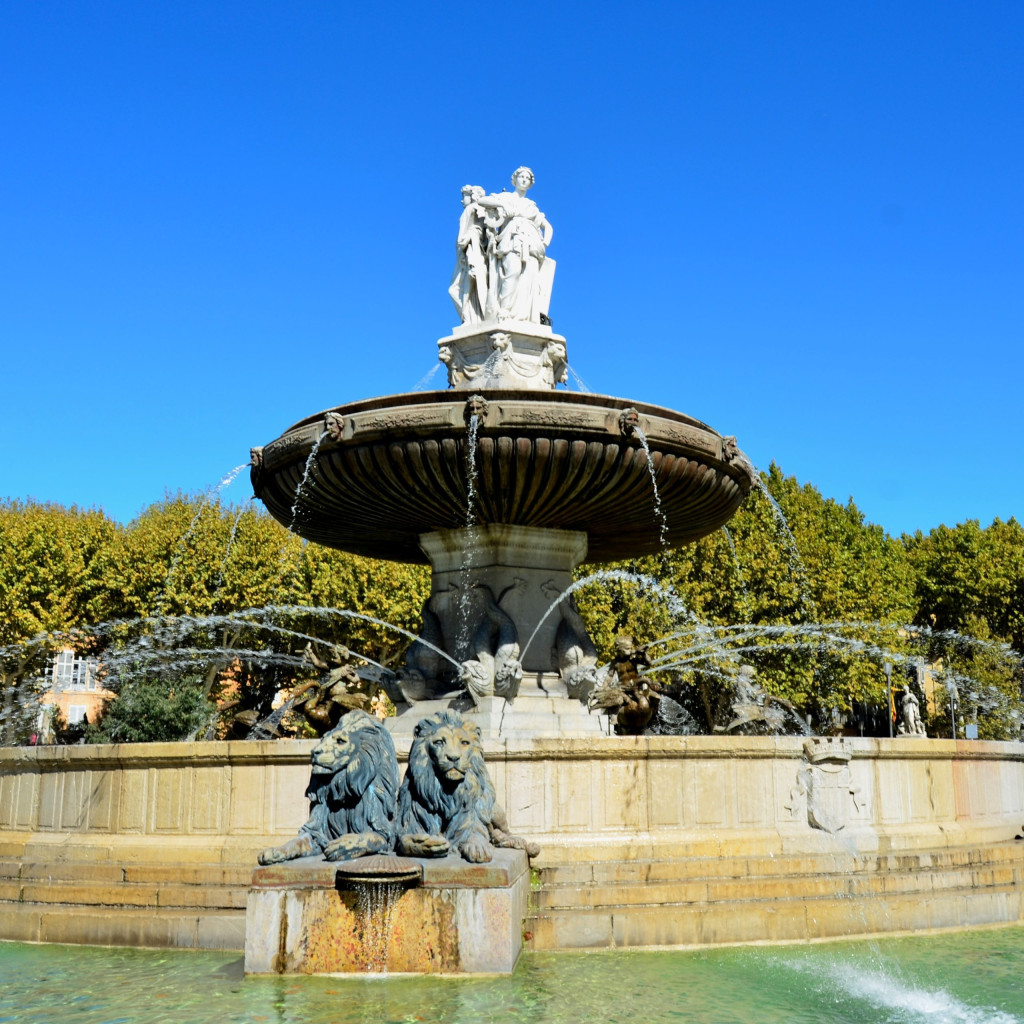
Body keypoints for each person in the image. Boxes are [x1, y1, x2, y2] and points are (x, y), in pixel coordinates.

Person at [475, 167, 553, 323]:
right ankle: (504, 310)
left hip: (531, 243)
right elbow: (481, 201)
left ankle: (524, 317)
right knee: (513, 271)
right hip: (511, 238)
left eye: (527, 178)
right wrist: (502, 206)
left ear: (530, 183)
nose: (524, 179)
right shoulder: (506, 197)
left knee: (529, 278)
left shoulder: (532, 206)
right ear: (514, 180)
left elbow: (548, 227)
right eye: (521, 176)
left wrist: (545, 242)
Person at [448, 185, 489, 324]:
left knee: (456, 289)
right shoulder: (470, 210)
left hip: (471, 253)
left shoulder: (474, 208)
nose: (462, 201)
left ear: (472, 196)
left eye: (464, 196)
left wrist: (470, 235)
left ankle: (470, 318)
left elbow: (484, 228)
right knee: (458, 289)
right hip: (464, 256)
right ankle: (470, 318)